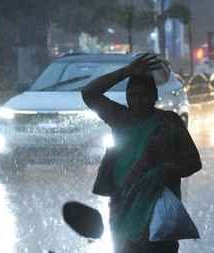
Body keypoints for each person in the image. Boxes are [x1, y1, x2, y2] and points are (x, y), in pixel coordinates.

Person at [81, 54, 202, 253]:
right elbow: (89, 93)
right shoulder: (119, 118)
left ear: (154, 97)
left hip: (157, 215)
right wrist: (126, 72)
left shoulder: (169, 122)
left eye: (144, 95)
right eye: (133, 95)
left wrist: (167, 170)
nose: (138, 101)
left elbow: (194, 162)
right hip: (123, 211)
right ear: (127, 97)